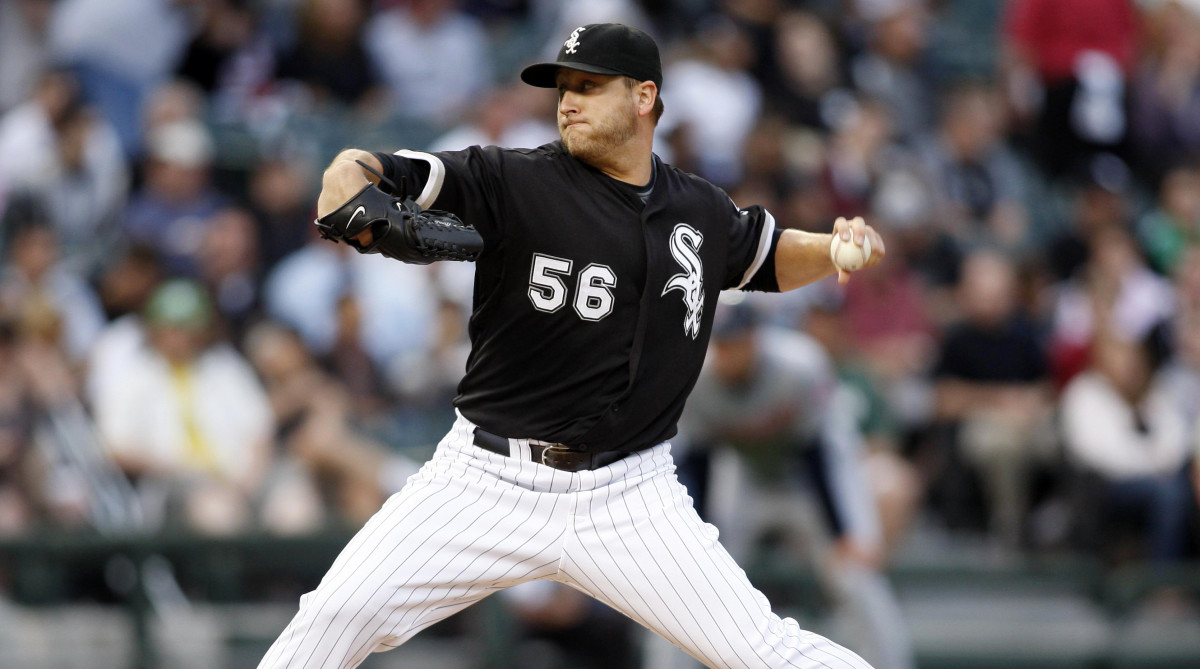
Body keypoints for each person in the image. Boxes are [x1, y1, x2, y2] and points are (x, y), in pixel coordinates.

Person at [258, 24, 884, 669]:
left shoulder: (696, 208)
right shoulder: (514, 178)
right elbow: (379, 168)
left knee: (768, 652)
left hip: (631, 494)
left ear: (643, 97)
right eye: (562, 88)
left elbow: (765, 255)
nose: (567, 102)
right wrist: (344, 176)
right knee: (333, 619)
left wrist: (833, 248)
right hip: (485, 481)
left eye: (588, 86)